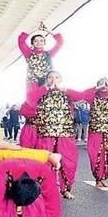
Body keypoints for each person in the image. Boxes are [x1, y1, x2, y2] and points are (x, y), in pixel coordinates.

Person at [27, 71, 85, 199]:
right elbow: (29, 99)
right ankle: (42, 189)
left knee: (68, 161)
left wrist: (64, 89)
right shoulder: (42, 92)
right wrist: (45, 88)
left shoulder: (66, 92)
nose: (53, 80)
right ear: (46, 80)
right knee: (45, 161)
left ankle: (66, 189)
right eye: (50, 77)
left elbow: (81, 96)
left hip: (65, 133)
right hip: (46, 133)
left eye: (57, 77)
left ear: (61, 80)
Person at [18, 22, 64, 90]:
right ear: (32, 43)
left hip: (48, 83)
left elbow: (60, 41)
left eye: (41, 41)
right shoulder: (28, 53)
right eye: (36, 41)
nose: (39, 43)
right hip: (33, 84)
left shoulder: (49, 54)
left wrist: (47, 31)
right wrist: (36, 30)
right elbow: (21, 41)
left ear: (44, 43)